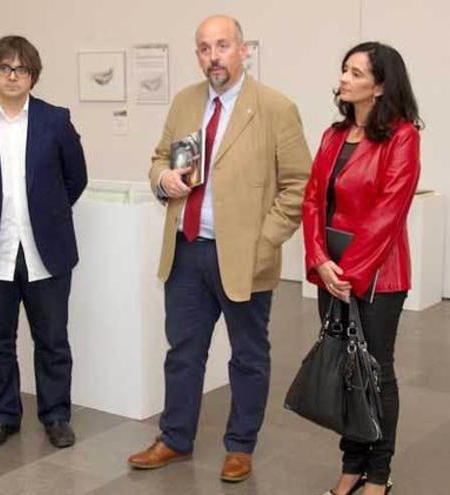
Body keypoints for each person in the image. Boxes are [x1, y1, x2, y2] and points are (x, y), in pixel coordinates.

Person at [126, 14, 311, 483]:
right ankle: (174, 438)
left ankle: (240, 446)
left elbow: (298, 187)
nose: (214, 56)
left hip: (244, 257)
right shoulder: (186, 102)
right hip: (187, 250)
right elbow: (158, 159)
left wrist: (264, 242)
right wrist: (163, 180)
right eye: (205, 48)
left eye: (223, 46)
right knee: (183, 352)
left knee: (248, 355)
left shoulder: (274, 108)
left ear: (244, 50)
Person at [0, 35, 87, 450]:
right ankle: (4, 416)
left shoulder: (55, 121)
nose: (12, 75)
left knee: (52, 339)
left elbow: (75, 179)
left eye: (20, 69)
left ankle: (56, 415)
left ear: (32, 76)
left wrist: (48, 213)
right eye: (4, 67)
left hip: (47, 250)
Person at [302, 41, 421, 495]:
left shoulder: (403, 136)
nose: (344, 79)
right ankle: (351, 467)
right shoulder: (333, 136)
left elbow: (389, 213)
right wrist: (318, 260)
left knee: (376, 371)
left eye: (355, 72)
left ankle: (378, 475)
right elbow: (313, 200)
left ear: (381, 85)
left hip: (378, 277)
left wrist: (346, 273)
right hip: (332, 271)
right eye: (343, 70)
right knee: (344, 371)